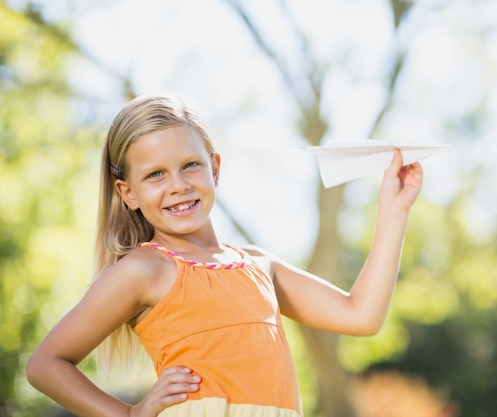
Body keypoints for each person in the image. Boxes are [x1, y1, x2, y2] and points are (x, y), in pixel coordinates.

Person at [26, 94, 424, 417]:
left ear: (215, 168)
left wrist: (394, 210)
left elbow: (361, 315)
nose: (178, 185)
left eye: (190, 165)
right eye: (155, 175)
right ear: (127, 192)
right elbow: (46, 364)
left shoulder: (258, 266)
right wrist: (130, 415)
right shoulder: (146, 269)